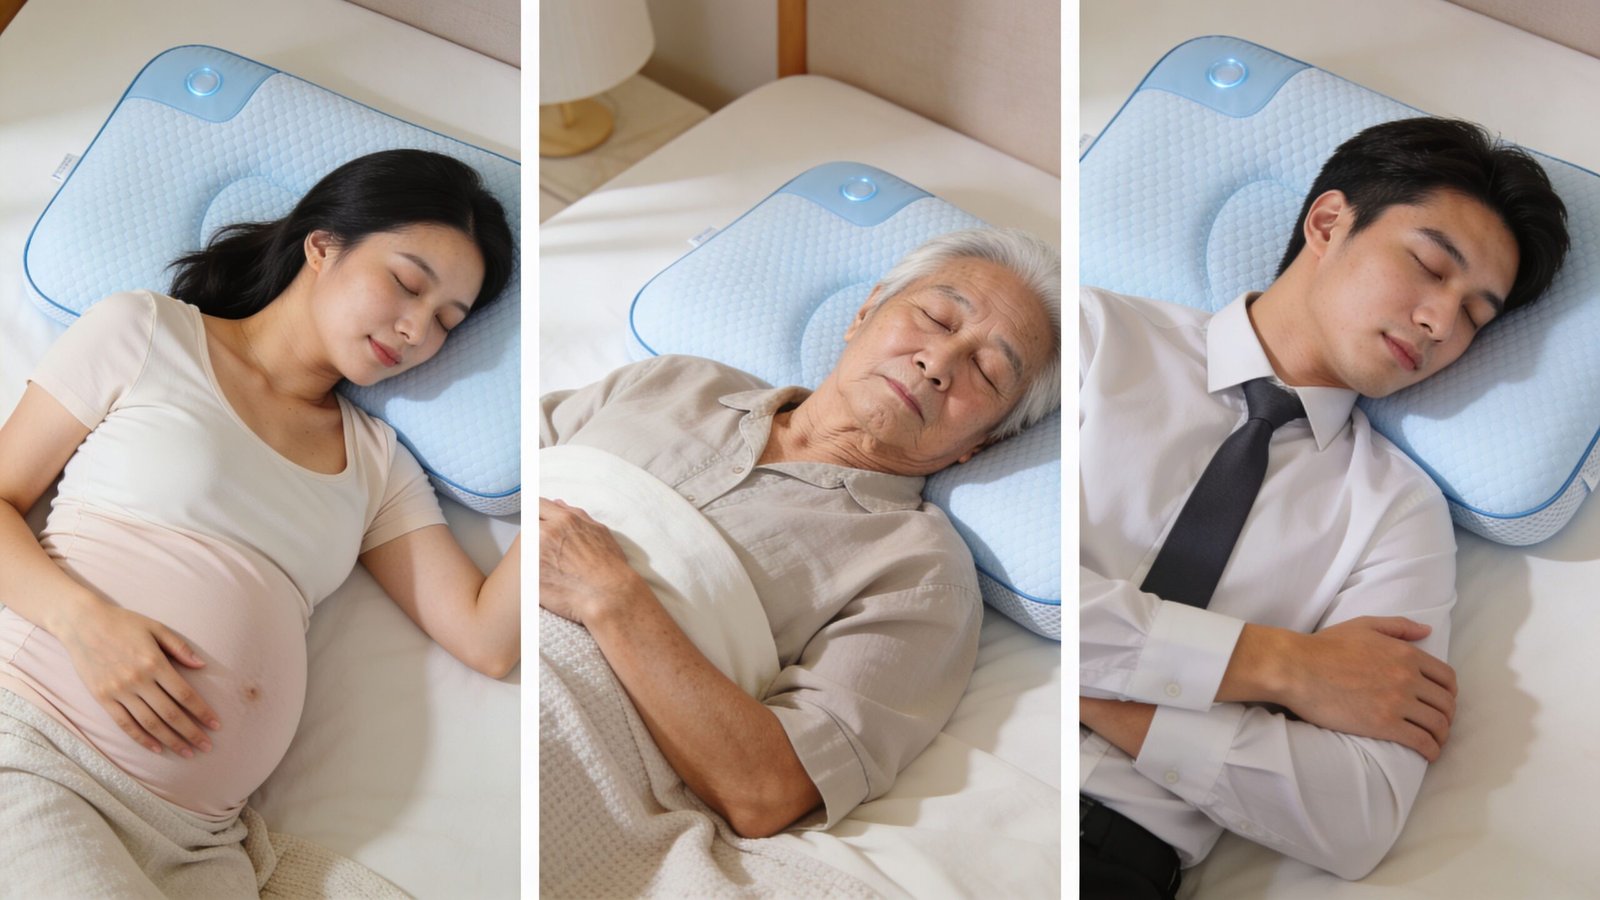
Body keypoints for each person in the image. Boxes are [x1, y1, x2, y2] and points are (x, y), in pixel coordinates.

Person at [0, 148, 520, 895]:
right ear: (323, 245)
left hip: (201, 843)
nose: (415, 328)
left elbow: (486, 639)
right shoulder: (148, 332)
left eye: (445, 321)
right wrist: (84, 623)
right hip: (36, 756)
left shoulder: (378, 462)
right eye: (407, 284)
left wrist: (557, 473)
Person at [1079, 116, 1571, 898]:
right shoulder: (1092, 338)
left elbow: (1358, 816)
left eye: (1476, 317)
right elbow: (1003, 582)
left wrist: (1095, 690)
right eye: (1429, 266)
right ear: (1329, 222)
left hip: (1116, 859)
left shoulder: (1399, 513)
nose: (1440, 323)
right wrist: (1286, 668)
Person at [539, 227, 1060, 839]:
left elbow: (768, 791)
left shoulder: (918, 572)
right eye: (938, 319)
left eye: (987, 371)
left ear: (986, 442)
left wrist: (613, 599)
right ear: (864, 313)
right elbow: (501, 480)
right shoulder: (673, 381)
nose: (938, 364)